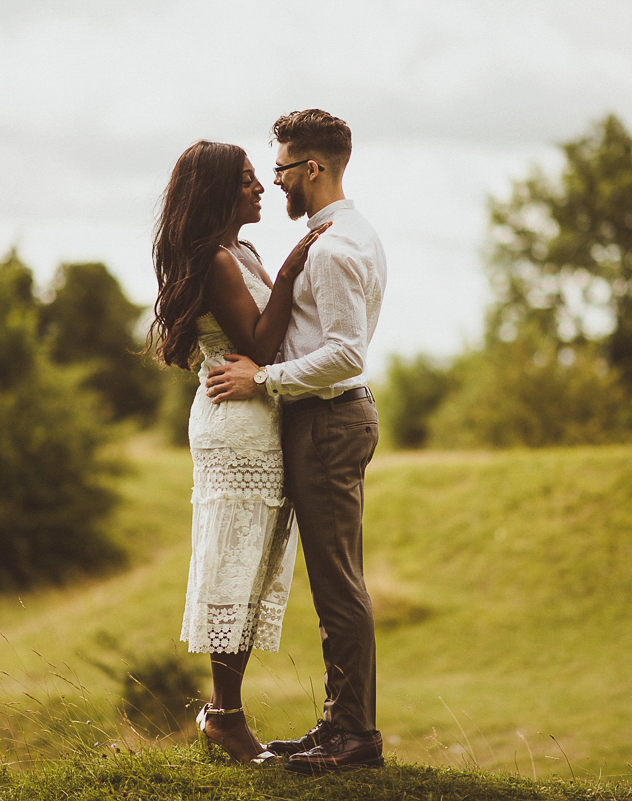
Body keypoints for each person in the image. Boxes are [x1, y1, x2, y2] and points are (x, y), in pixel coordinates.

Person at [205, 109, 388, 774]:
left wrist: (264, 379)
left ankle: (354, 736)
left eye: (280, 168)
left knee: (338, 584)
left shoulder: (336, 247)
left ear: (311, 168)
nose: (274, 181)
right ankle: (342, 724)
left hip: (328, 417)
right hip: (329, 417)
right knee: (337, 580)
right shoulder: (347, 233)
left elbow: (345, 353)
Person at [149, 140, 329, 765]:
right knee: (233, 564)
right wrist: (292, 269)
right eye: (250, 180)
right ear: (221, 191)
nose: (262, 188)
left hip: (257, 413)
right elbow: (261, 342)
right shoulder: (219, 260)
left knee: (252, 566)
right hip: (236, 427)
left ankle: (225, 714)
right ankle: (223, 716)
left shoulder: (240, 251)